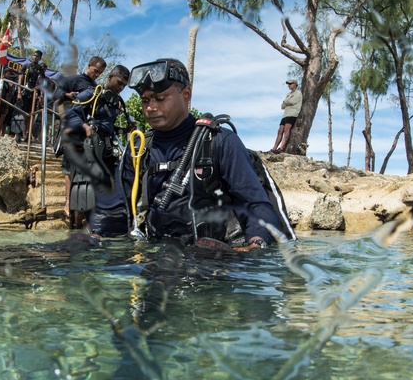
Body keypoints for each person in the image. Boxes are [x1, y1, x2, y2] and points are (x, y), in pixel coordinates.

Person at [121, 58, 288, 250]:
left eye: (160, 98)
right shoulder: (139, 149)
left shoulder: (221, 142)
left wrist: (255, 243)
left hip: (213, 259)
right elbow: (114, 207)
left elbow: (255, 204)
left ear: (186, 94)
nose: (150, 107)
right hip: (158, 254)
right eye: (145, 100)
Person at [60, 64, 132, 236]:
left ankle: (98, 226)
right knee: (84, 186)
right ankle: (76, 227)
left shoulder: (116, 103)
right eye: (119, 83)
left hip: (105, 149)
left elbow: (109, 128)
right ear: (109, 78)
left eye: (124, 86)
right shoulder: (92, 94)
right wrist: (84, 126)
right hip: (87, 147)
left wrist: (125, 130)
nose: (121, 88)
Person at [54, 56, 106, 225]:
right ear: (89, 66)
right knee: (69, 170)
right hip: (72, 130)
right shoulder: (74, 80)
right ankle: (68, 203)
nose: (96, 74)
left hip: (86, 136)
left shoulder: (96, 88)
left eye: (100, 73)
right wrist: (69, 95)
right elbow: (56, 94)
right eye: (95, 70)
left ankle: (82, 205)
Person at [14, 49, 46, 142]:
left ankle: (27, 134)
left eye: (37, 56)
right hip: (24, 91)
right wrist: (19, 92)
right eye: (34, 55)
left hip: (33, 93)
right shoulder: (26, 66)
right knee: (21, 113)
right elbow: (20, 79)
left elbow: (42, 84)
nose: (35, 57)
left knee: (30, 115)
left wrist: (41, 96)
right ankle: (18, 134)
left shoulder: (40, 69)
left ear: (40, 58)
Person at [271, 79, 302, 154]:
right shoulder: (288, 94)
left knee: (286, 130)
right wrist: (287, 101)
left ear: (295, 84)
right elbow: (282, 106)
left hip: (292, 114)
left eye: (290, 84)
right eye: (288, 84)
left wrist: (286, 101)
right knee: (280, 131)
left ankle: (281, 148)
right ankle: (274, 148)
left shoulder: (298, 93)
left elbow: (291, 101)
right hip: (285, 114)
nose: (289, 85)